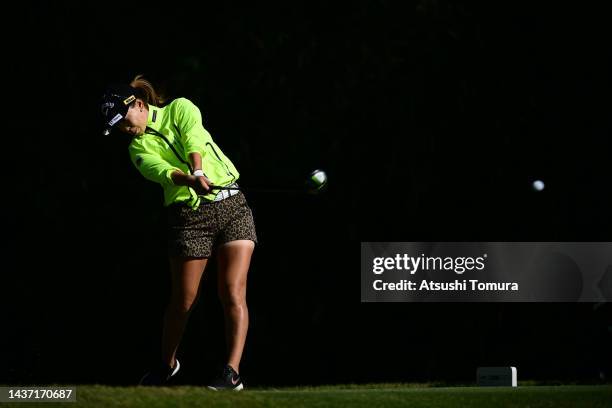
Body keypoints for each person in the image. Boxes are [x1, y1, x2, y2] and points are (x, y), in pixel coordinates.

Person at [100, 75, 257, 390]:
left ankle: (232, 372)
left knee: (232, 291)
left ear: (140, 105)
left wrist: (198, 170)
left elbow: (193, 139)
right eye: (117, 126)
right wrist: (190, 180)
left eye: (124, 120)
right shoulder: (136, 148)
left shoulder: (180, 108)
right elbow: (160, 171)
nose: (123, 129)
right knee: (184, 300)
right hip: (189, 217)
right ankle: (166, 365)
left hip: (232, 205)